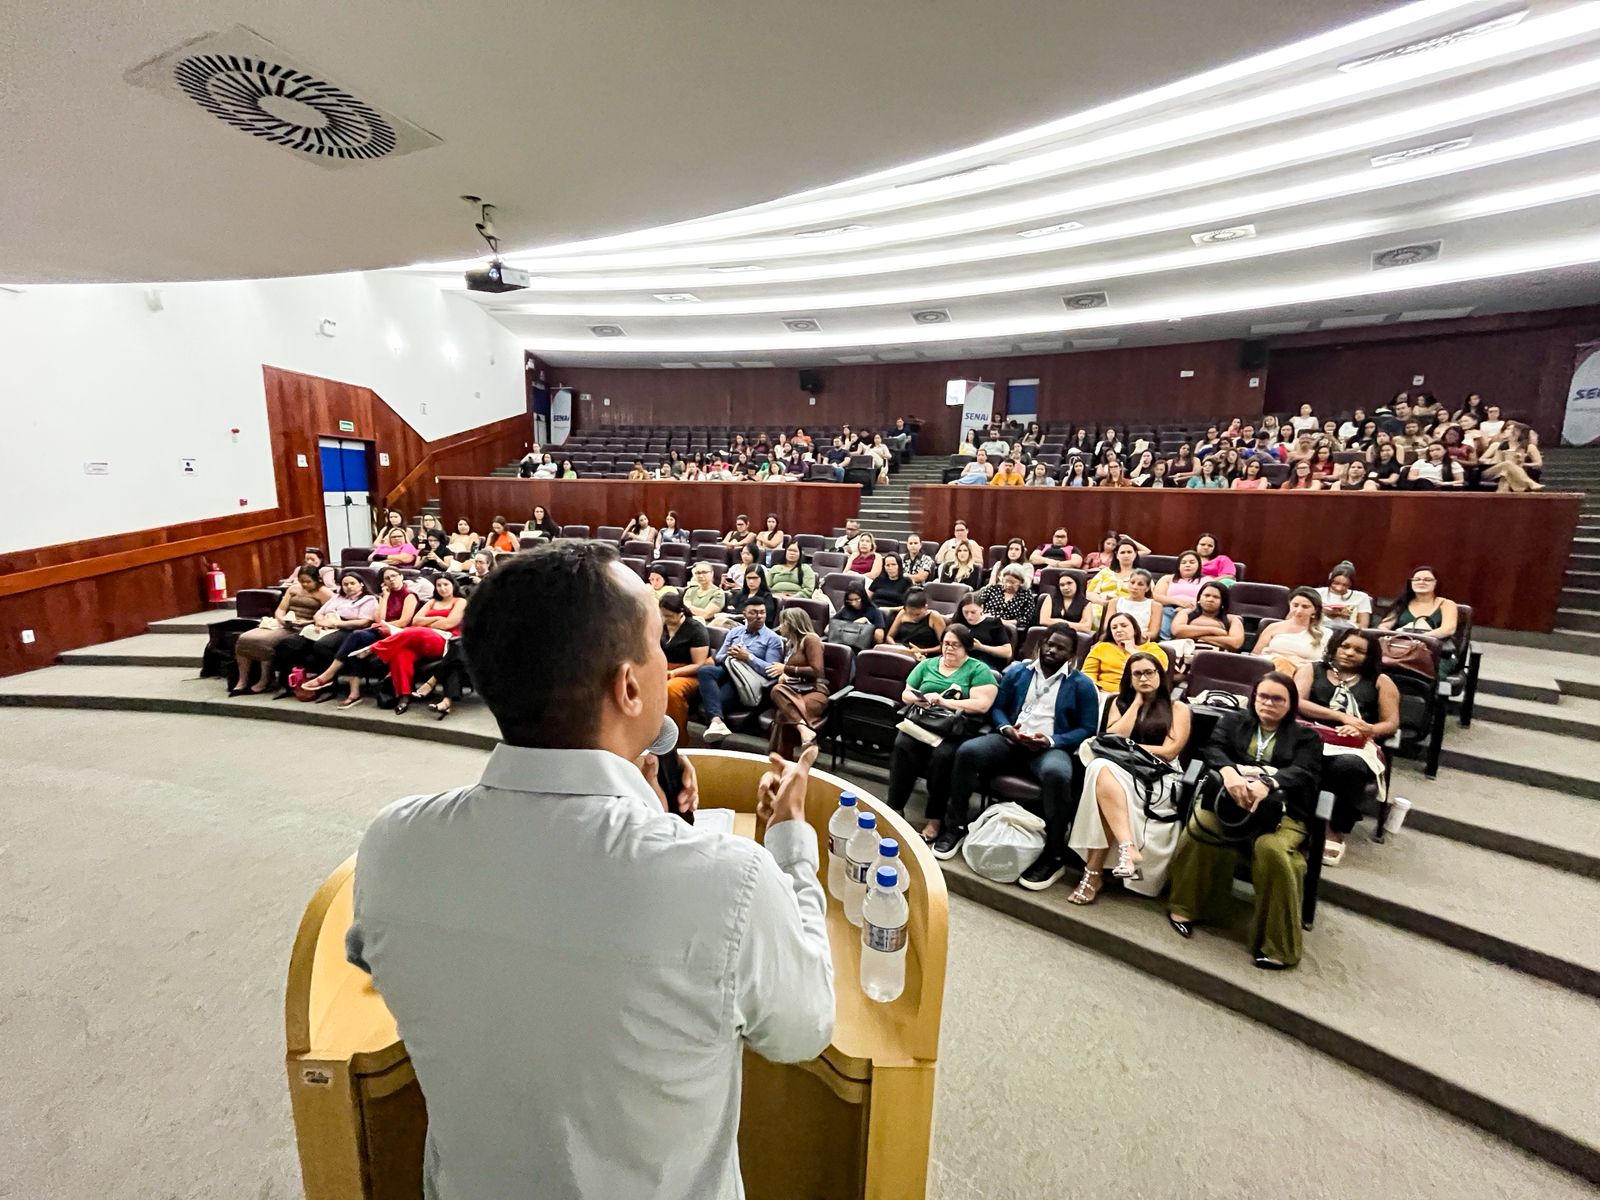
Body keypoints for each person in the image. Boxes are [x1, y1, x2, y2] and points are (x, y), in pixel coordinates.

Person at [347, 543, 833, 1198]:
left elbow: (372, 954)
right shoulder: (730, 880)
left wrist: (637, 802)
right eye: (660, 645)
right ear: (630, 687)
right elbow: (803, 1030)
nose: (669, 663)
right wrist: (790, 843)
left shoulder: (393, 842)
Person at [1167, 672, 1322, 969]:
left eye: (1278, 699)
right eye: (1263, 696)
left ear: (1291, 704)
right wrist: (1228, 773)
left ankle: (1279, 946)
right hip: (1230, 804)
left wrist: (1268, 784)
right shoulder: (1234, 721)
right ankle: (1185, 908)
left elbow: (1304, 773)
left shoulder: (1307, 737)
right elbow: (1213, 749)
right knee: (1201, 828)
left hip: (1284, 812)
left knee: (1272, 851)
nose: (1268, 703)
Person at [931, 624, 1099, 884]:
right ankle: (955, 827)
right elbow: (998, 708)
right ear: (1041, 644)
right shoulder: (1019, 671)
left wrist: (1052, 740)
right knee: (967, 752)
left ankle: (1054, 856)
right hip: (1011, 740)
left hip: (1049, 747)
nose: (1052, 650)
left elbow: (1087, 728)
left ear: (1072, 653)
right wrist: (1005, 727)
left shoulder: (1082, 685)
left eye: (1060, 648)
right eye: (1049, 644)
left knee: (1058, 774)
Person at [1067, 651, 1192, 902]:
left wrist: (1129, 748)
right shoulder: (1118, 702)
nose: (1144, 678)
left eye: (1149, 672)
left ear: (1160, 674)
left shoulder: (1177, 707)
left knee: (1100, 774)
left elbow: (1170, 751)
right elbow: (1114, 737)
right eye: (1137, 674)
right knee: (1100, 769)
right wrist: (1136, 704)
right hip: (1119, 772)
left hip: (1158, 777)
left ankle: (1092, 874)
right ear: (1129, 678)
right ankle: (1126, 847)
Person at [1294, 628, 1401, 866]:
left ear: (1370, 656)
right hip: (1311, 734)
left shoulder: (1381, 681)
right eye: (1345, 647)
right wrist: (1341, 717)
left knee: (1348, 767)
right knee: (1300, 756)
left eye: (1359, 651)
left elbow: (1391, 723)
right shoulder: (1311, 670)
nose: (1350, 653)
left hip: (1356, 744)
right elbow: (1297, 701)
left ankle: (1334, 828)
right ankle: (1298, 820)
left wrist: (1367, 729)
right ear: (1334, 647)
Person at [887, 623, 1000, 843]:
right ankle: (895, 808)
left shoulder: (978, 670)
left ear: (966, 647)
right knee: (902, 745)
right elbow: (906, 694)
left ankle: (935, 818)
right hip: (924, 721)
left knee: (943, 757)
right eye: (946, 644)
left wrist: (944, 701)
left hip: (955, 728)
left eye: (955, 645)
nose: (949, 649)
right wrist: (922, 698)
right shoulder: (928, 664)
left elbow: (982, 705)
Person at [300, 566, 420, 707]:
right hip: (381, 631)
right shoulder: (384, 595)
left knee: (356, 636)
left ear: (401, 576)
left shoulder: (409, 595)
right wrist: (385, 597)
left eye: (394, 576)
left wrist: (383, 625)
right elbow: (378, 618)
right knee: (354, 647)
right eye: (387, 578)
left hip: (398, 633)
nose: (391, 580)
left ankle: (328, 674)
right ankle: (354, 694)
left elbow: (404, 621)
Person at [354, 575, 467, 712]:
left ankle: (375, 648)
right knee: (400, 654)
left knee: (417, 631)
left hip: (443, 640)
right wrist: (438, 619)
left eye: (446, 584)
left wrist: (429, 622)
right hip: (419, 639)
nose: (442, 588)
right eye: (439, 585)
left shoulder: (460, 601)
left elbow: (450, 623)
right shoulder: (432, 602)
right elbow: (415, 620)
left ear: (453, 585)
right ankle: (404, 696)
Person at [230, 566, 331, 695]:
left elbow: (327, 616)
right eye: (302, 581)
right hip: (285, 623)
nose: (304, 584)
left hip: (304, 626)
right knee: (245, 638)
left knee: (263, 641)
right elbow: (281, 609)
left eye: (308, 581)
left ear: (317, 579)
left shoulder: (325, 593)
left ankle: (265, 680)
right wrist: (281, 618)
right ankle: (242, 680)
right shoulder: (293, 589)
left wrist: (309, 622)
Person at [699, 597, 786, 743]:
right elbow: (718, 657)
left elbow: (770, 671)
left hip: (747, 680)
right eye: (753, 613)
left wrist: (748, 657)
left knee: (716, 702)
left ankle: (715, 727)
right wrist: (731, 653)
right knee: (705, 671)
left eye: (762, 613)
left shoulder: (773, 639)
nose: (759, 616)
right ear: (744, 614)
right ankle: (717, 723)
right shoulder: (735, 632)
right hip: (728, 670)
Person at [275, 571, 379, 686]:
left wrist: (336, 623)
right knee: (287, 643)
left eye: (352, 583)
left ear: (361, 584)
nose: (349, 587)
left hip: (347, 629)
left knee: (322, 645)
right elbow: (318, 614)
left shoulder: (368, 599)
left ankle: (327, 682)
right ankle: (288, 684)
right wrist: (320, 622)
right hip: (324, 626)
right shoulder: (337, 598)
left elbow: (364, 622)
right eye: (345, 584)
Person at [766, 608, 829, 760]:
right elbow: (791, 673)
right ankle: (804, 731)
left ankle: (778, 762)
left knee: (783, 713)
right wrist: (785, 676)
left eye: (783, 623)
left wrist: (786, 669)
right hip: (795, 691)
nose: (780, 627)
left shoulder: (811, 639)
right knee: (777, 690)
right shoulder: (791, 644)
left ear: (793, 624)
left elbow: (816, 670)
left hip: (815, 691)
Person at [1379, 566, 1459, 673]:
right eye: (1417, 579)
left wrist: (1419, 639)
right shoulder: (1402, 603)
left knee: (1428, 674)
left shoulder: (1446, 604)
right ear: (1411, 583)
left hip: (1434, 653)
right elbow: (1383, 626)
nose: (1421, 582)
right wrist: (1398, 637)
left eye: (1427, 580)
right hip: (1402, 650)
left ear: (1436, 583)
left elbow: (1448, 629)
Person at [660, 592, 711, 741]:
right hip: (666, 669)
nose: (665, 619)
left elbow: (699, 664)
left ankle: (678, 739)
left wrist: (673, 673)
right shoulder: (661, 626)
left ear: (680, 612)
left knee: (671, 689)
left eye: (669, 615)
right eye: (662, 615)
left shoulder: (696, 629)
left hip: (690, 673)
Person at [1083, 612, 1169, 692]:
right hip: (1104, 692)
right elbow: (1088, 672)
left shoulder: (1150, 647)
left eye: (1124, 626)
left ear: (1135, 629)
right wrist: (1095, 689)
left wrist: (1132, 650)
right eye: (1114, 627)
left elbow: (1161, 667)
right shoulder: (1102, 647)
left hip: (1138, 693)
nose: (1118, 630)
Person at [1254, 587, 1328, 674]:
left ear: (1315, 610)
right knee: (1280, 663)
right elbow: (1255, 655)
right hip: (1270, 669)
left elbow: (1323, 664)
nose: (1299, 611)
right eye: (1295, 605)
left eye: (1305, 607)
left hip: (1302, 674)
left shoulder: (1326, 633)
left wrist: (1292, 662)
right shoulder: (1273, 627)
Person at [1170, 580, 1245, 652]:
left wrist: (1198, 636)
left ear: (1223, 602)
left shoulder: (1232, 620)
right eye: (1206, 595)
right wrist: (1213, 630)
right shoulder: (1186, 613)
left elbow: (1235, 643)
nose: (1210, 599)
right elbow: (1177, 630)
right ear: (1199, 598)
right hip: (1184, 654)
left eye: (1216, 597)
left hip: (1217, 658)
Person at [1152, 551, 1205, 639]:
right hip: (1169, 609)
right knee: (1165, 612)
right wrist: (1178, 602)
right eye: (1183, 562)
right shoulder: (1167, 578)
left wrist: (1187, 609)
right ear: (1178, 566)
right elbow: (1157, 597)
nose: (1187, 565)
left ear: (1199, 565)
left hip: (1195, 610)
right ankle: (1164, 642)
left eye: (1192, 562)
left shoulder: (1207, 580)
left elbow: (1210, 599)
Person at [1480, 422, 1544, 492]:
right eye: (1507, 428)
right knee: (1507, 464)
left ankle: (1501, 495)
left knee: (1506, 476)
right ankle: (1529, 482)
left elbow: (1539, 463)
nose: (1506, 430)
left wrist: (1523, 464)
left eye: (1510, 429)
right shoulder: (1498, 445)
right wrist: (1493, 460)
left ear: (1518, 432)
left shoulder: (1529, 447)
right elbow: (1483, 460)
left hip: (1510, 473)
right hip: (1493, 471)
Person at [956, 595, 1013, 672]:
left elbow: (1007, 652)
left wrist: (981, 647)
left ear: (981, 608)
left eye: (973, 612)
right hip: (960, 661)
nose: (969, 616)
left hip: (986, 665)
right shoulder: (959, 622)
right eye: (965, 612)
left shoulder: (993, 623)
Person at [885, 588, 946, 659]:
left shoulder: (934, 617)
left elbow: (944, 645)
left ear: (926, 607)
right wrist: (897, 647)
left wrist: (922, 651)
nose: (913, 617)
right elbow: (889, 636)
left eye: (917, 614)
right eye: (909, 614)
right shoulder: (902, 613)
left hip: (925, 655)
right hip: (904, 652)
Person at [1087, 537, 1141, 608]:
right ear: (1116, 555)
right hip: (1101, 608)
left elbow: (1149, 598)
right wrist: (1102, 602)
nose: (1126, 555)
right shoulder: (1105, 572)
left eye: (1129, 552)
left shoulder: (1142, 575)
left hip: (1129, 610)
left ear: (1135, 554)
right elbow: (1090, 593)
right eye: (1122, 552)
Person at [1317, 561, 1372, 628]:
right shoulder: (1317, 593)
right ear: (1330, 579)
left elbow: (1363, 625)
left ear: (1351, 584)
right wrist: (1323, 611)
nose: (1339, 588)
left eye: (1345, 585)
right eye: (1336, 583)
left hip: (1348, 632)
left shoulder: (1362, 597)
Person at [724, 564, 779, 629]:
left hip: (754, 628)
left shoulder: (766, 596)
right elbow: (730, 609)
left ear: (761, 579)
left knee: (722, 621)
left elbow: (766, 618)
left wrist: (738, 613)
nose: (751, 581)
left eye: (755, 578)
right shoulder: (740, 594)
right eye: (748, 578)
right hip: (736, 623)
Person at [834, 580, 887, 645]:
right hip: (844, 643)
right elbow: (828, 628)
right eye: (850, 600)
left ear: (863, 597)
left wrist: (867, 624)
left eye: (856, 599)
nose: (853, 603)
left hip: (863, 647)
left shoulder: (875, 612)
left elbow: (879, 638)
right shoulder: (845, 610)